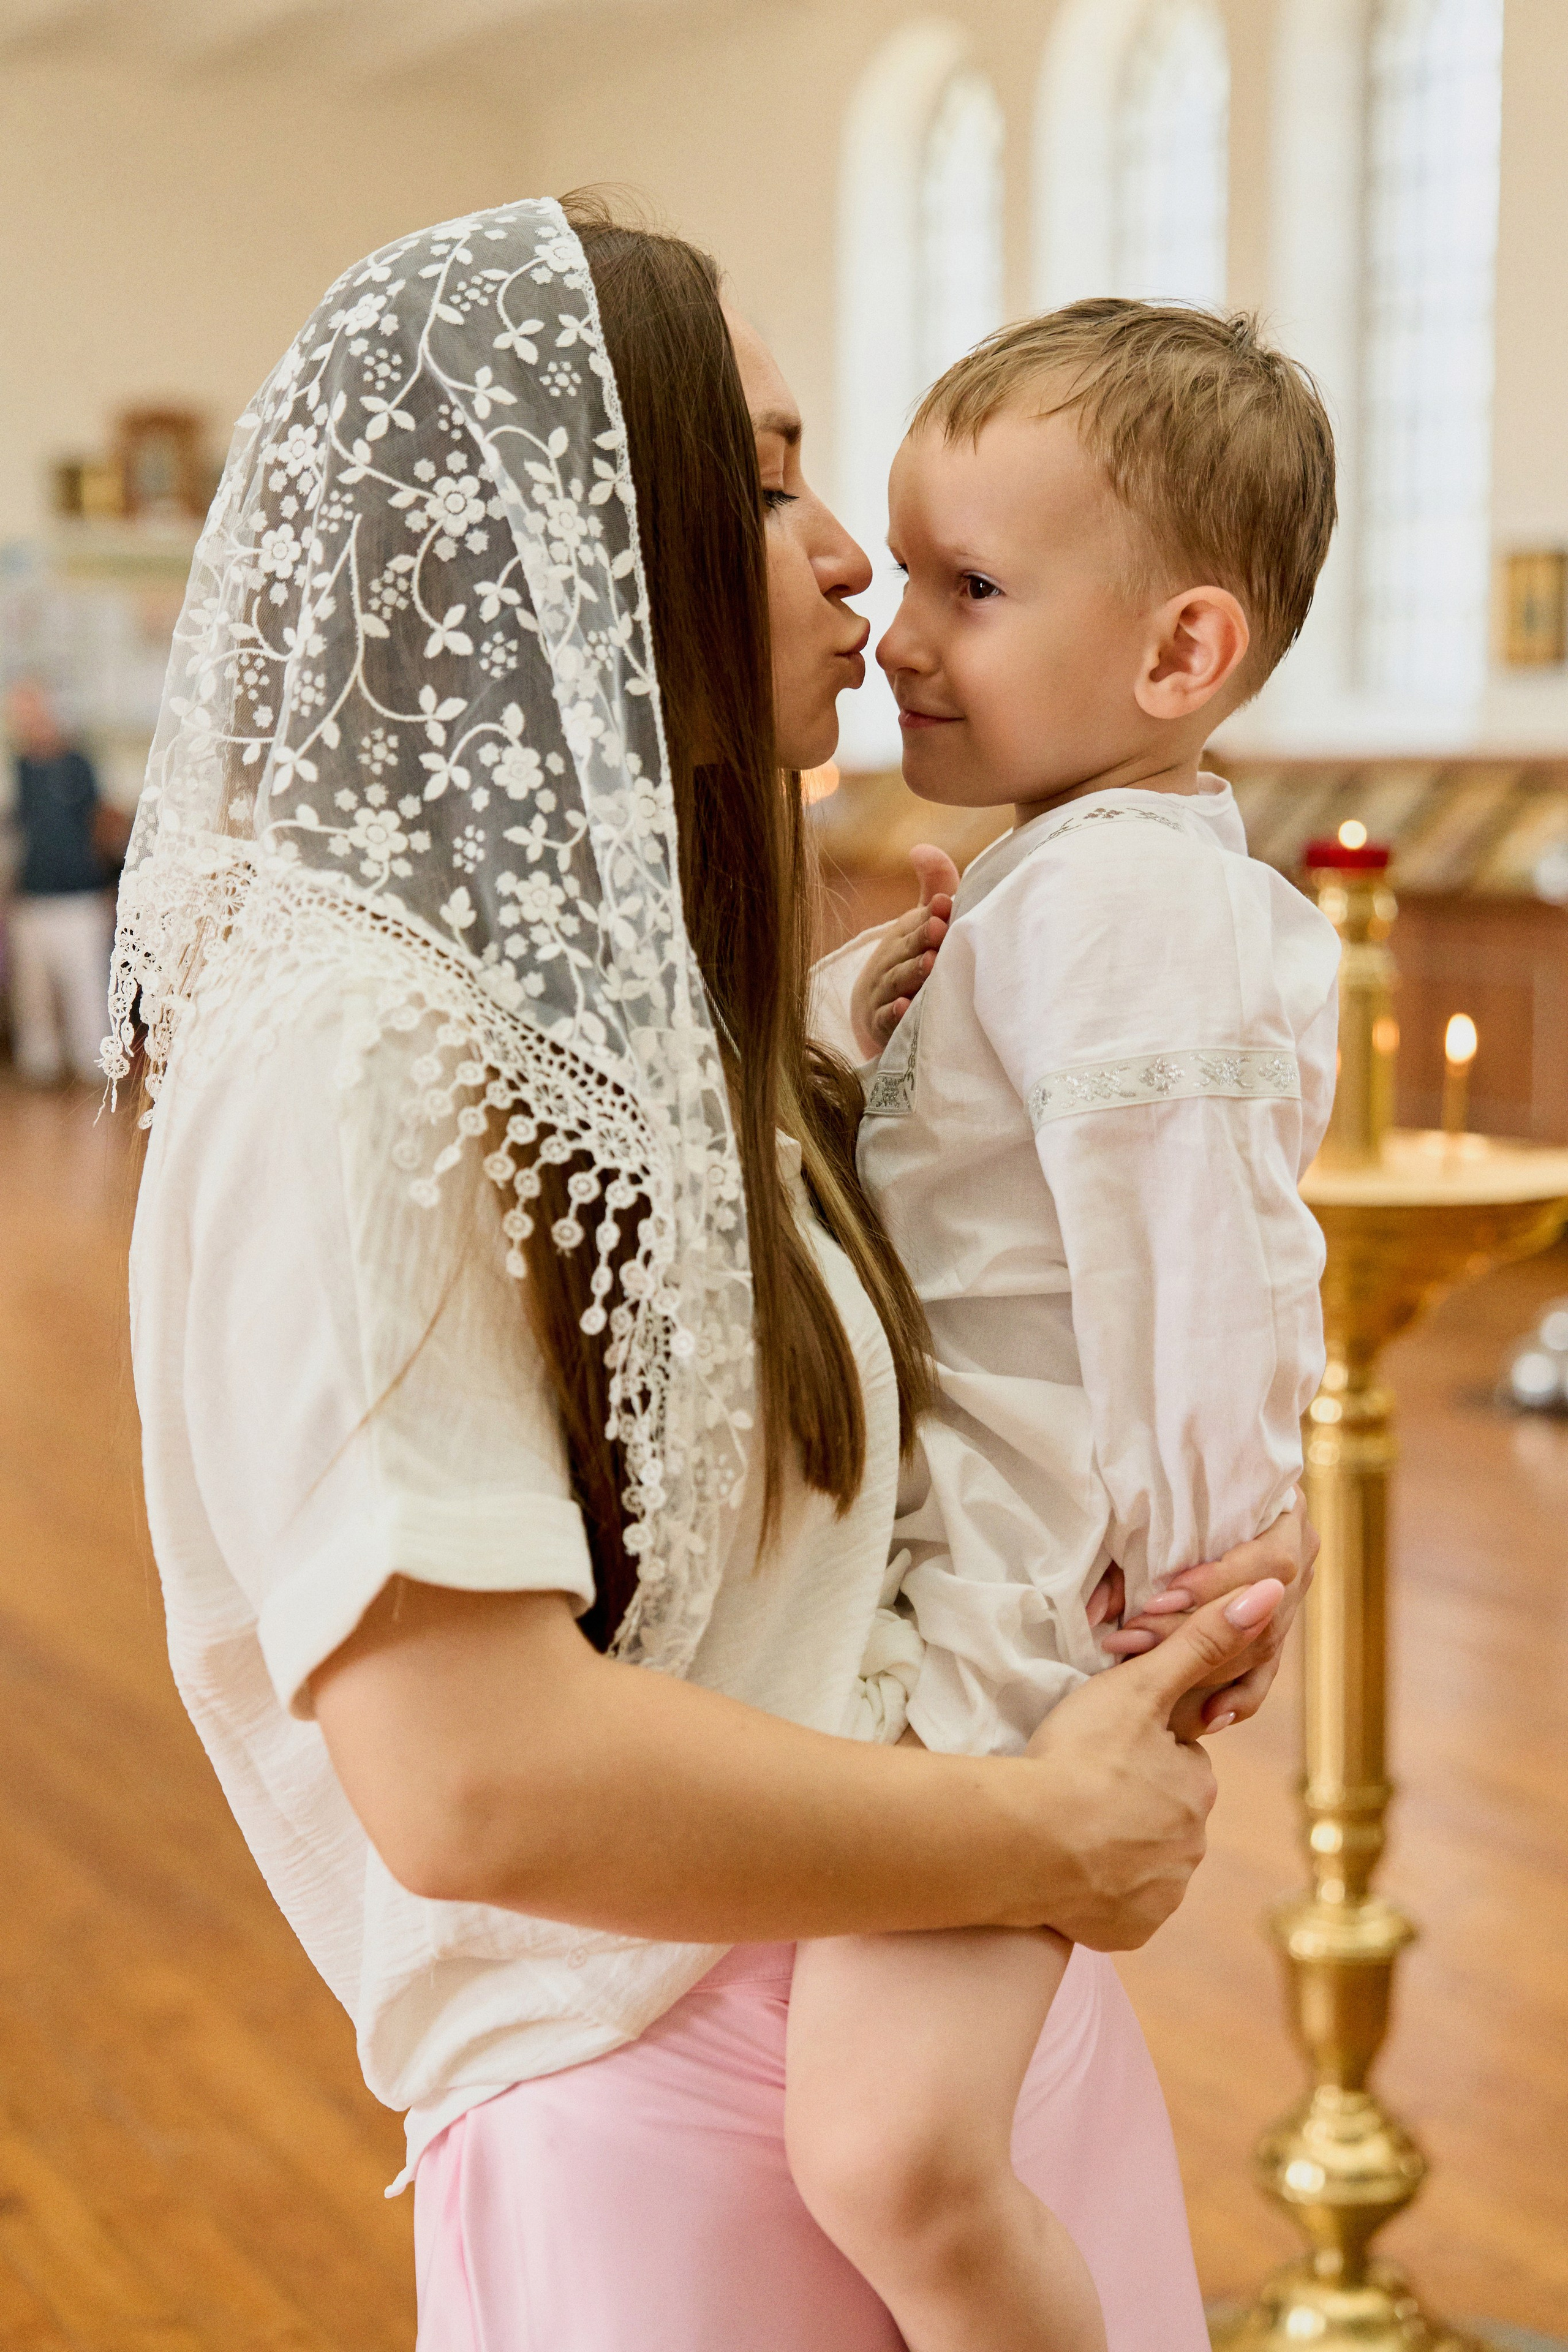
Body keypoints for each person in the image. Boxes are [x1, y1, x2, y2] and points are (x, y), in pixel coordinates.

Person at [115, 198, 1311, 2352]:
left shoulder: (654, 1004)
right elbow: (470, 1775)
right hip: (697, 2101)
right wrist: (1037, 1822)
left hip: (936, 1972)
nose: (848, 560)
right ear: (559, 541)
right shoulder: (363, 1045)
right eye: (765, 484)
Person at [794, 304, 1340, 2351]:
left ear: (1182, 654)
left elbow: (1196, 1241)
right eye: (907, 575)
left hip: (1032, 1601)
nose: (898, 635)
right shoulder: (1066, 877)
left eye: (974, 588)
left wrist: (1208, 1559)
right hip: (970, 1562)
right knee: (884, 2143)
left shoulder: (1125, 897)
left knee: (896, 2157)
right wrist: (890, 1003)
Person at [4, 679, 115, 1084]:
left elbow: (101, 826)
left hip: (80, 895)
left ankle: (93, 1064)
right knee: (33, 996)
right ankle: (40, 1067)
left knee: (85, 985)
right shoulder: (16, 770)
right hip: (31, 898)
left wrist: (108, 886)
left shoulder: (79, 766)